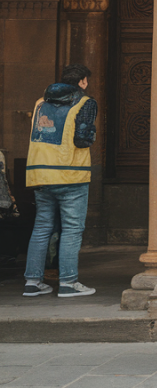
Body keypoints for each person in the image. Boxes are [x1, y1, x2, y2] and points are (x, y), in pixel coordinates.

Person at [23, 64, 97, 299]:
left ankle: (33, 282)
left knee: (42, 227)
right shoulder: (85, 102)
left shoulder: (39, 102)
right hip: (71, 173)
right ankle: (68, 282)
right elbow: (83, 139)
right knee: (72, 229)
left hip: (40, 173)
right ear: (83, 81)